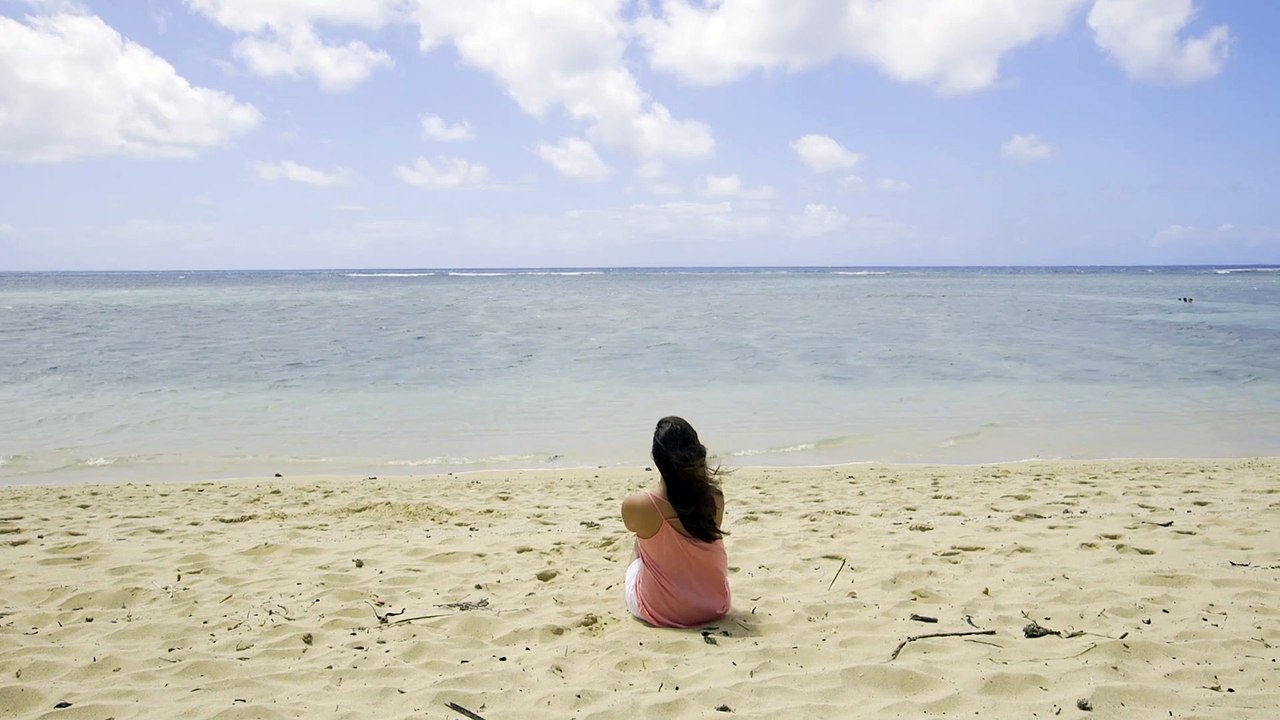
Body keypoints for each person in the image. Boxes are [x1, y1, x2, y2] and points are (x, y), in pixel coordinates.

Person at [620, 416, 730, 627]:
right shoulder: (714, 497)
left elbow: (633, 527)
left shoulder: (638, 505)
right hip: (713, 605)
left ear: (657, 460)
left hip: (659, 610)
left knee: (639, 542)